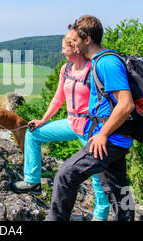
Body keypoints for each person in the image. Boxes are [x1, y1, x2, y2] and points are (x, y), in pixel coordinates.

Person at [11, 32, 111, 221]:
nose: (61, 51)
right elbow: (58, 98)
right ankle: (32, 181)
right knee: (33, 135)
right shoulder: (66, 69)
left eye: (64, 47)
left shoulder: (94, 69)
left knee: (98, 174)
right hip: (71, 122)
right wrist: (43, 120)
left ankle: (100, 215)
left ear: (75, 48)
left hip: (90, 128)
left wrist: (103, 131)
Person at [45, 15, 135, 221]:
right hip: (113, 137)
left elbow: (126, 103)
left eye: (75, 40)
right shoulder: (99, 62)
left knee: (66, 174)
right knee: (119, 190)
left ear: (87, 40)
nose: (73, 45)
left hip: (109, 139)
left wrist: (102, 134)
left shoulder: (107, 63)